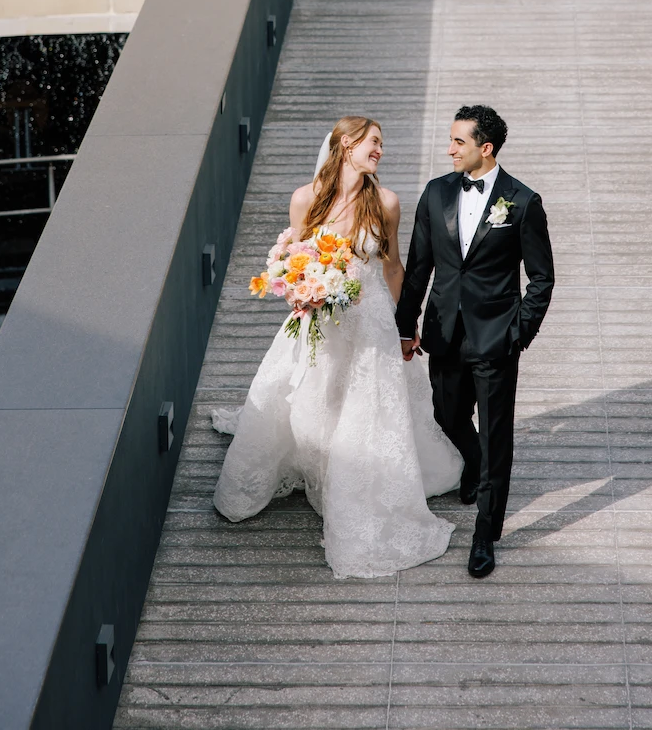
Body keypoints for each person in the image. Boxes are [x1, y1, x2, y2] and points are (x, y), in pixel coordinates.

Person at [212, 115, 462, 578]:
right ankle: (315, 463)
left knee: (365, 407)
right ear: (346, 145)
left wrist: (408, 326)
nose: (380, 151)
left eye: (382, 145)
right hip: (319, 319)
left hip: (369, 324)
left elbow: (392, 268)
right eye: (374, 143)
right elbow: (295, 259)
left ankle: (353, 484)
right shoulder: (304, 199)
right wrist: (301, 288)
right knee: (312, 396)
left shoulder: (385, 202)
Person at [396, 105, 554, 579]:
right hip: (443, 332)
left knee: (497, 433)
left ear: (485, 148)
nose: (449, 149)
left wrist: (518, 332)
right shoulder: (435, 192)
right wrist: (406, 325)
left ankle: (485, 533)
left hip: (495, 338)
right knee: (446, 413)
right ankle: (476, 462)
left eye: (458, 141)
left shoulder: (523, 202)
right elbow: (419, 266)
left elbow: (542, 279)